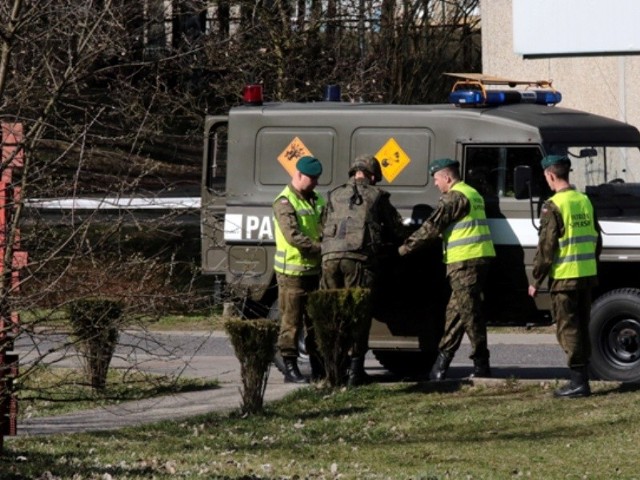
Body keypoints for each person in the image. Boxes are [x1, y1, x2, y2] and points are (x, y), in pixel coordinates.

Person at [398, 158, 495, 381]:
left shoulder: (454, 197)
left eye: (436, 179)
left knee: (470, 314)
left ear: (447, 178)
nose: (435, 184)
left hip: (465, 261)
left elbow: (431, 228)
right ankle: (440, 367)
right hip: (476, 259)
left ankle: (481, 364)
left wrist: (404, 249)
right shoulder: (472, 193)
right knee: (456, 313)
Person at [320, 154, 407, 387]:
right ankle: (355, 372)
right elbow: (396, 228)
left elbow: (323, 225)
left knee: (334, 314)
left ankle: (334, 370)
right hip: (357, 260)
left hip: (328, 260)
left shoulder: (333, 194)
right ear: (371, 174)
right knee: (357, 314)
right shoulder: (377, 196)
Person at [528, 154, 602, 398]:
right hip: (586, 275)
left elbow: (546, 248)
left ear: (550, 175)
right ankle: (583, 379)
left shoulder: (553, 205)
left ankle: (578, 383)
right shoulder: (584, 200)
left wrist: (536, 279)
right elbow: (596, 239)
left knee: (567, 329)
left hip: (564, 278)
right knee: (581, 325)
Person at [273, 155, 326, 383]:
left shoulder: (317, 200)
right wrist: (320, 248)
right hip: (292, 273)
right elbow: (292, 236)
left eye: (317, 179)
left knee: (314, 323)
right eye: (311, 178)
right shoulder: (284, 202)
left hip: (314, 271)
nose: (314, 183)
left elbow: (326, 226)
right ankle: (290, 368)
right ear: (298, 175)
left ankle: (319, 368)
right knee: (291, 322)